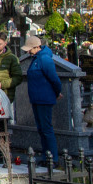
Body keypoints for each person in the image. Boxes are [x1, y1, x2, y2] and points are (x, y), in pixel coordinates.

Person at [23, 35, 62, 165]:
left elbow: (54, 79)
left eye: (30, 49)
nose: (28, 51)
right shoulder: (36, 58)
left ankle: (53, 158)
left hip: (44, 99)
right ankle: (47, 156)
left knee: (46, 129)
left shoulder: (44, 59)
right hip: (37, 98)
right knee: (41, 129)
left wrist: (57, 93)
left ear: (36, 47)